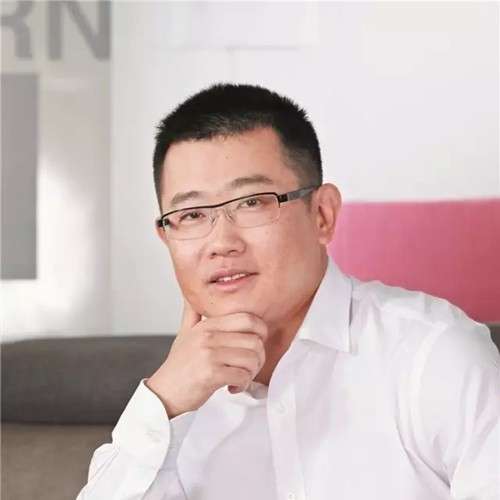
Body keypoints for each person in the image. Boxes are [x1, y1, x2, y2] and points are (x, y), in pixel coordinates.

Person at [76, 83, 499, 500]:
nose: (221, 242)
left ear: (322, 215)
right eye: (191, 215)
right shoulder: (175, 404)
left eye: (252, 202)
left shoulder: (432, 355)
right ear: (166, 237)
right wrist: (164, 403)